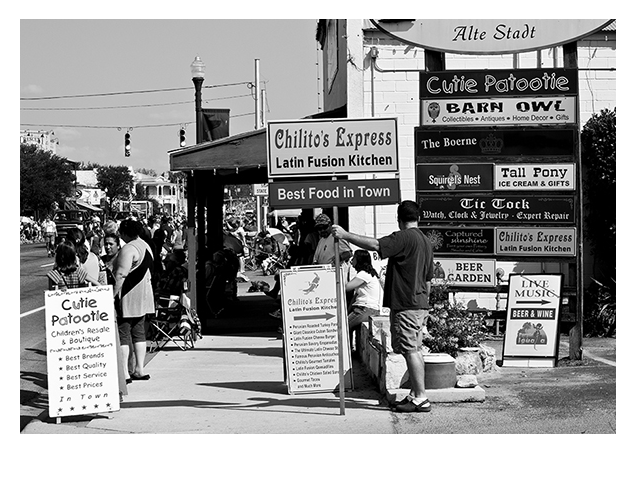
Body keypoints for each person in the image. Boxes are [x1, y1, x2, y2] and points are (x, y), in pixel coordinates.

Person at [332, 200, 434, 413]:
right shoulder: (425, 241)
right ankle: (416, 394)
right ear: (418, 217)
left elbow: (376, 245)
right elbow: (428, 279)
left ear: (399, 219)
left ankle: (421, 398)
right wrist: (424, 303)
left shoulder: (404, 237)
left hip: (406, 303)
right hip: (419, 303)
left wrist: (346, 235)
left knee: (410, 350)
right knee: (414, 349)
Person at [113, 219, 155, 383]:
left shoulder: (128, 249)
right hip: (145, 294)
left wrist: (113, 295)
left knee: (124, 333)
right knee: (139, 332)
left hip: (128, 295)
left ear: (124, 233)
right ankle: (140, 368)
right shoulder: (146, 246)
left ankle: (125, 372)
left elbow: (121, 274)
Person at [345, 249, 382, 355]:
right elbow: (355, 295)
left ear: (359, 260)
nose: (352, 260)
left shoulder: (364, 274)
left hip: (365, 309)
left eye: (354, 258)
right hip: (366, 309)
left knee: (344, 327)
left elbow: (347, 287)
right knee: (349, 326)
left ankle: (346, 354)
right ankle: (351, 352)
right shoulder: (368, 273)